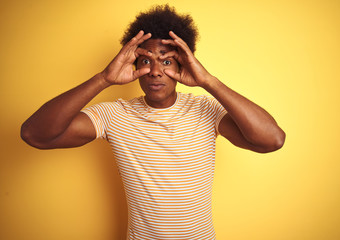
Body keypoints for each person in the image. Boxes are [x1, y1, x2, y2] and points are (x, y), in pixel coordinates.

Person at [21, 4, 285, 240]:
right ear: (134, 64)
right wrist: (103, 79)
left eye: (167, 61)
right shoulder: (114, 115)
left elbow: (271, 140)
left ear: (184, 66)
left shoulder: (206, 109)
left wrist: (208, 82)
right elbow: (36, 134)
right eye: (146, 60)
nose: (156, 71)